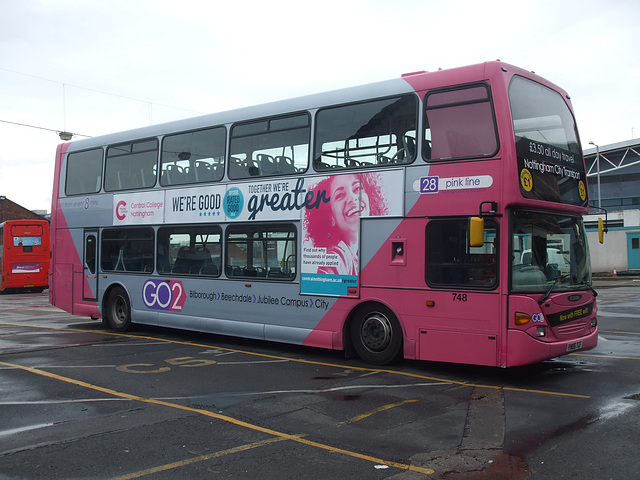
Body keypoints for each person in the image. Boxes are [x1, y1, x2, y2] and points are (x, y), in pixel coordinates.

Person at [304, 173, 387, 275]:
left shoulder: (358, 254)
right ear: (331, 218)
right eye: (340, 195)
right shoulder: (338, 256)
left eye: (357, 189)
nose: (352, 198)